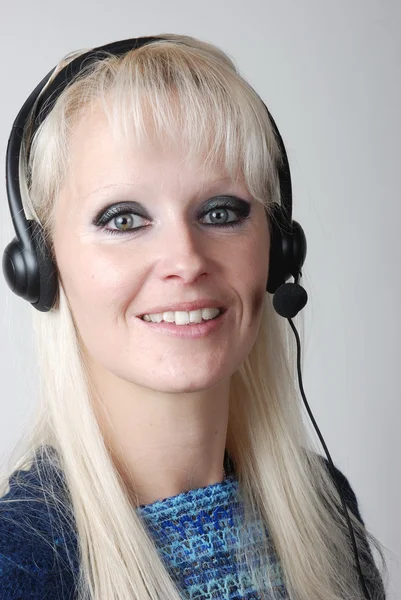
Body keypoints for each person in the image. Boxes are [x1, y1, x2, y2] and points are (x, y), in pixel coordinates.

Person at [0, 34, 388, 600]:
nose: (185, 260)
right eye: (124, 219)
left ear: (279, 252)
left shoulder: (325, 509)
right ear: (42, 267)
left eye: (222, 211)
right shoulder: (19, 565)